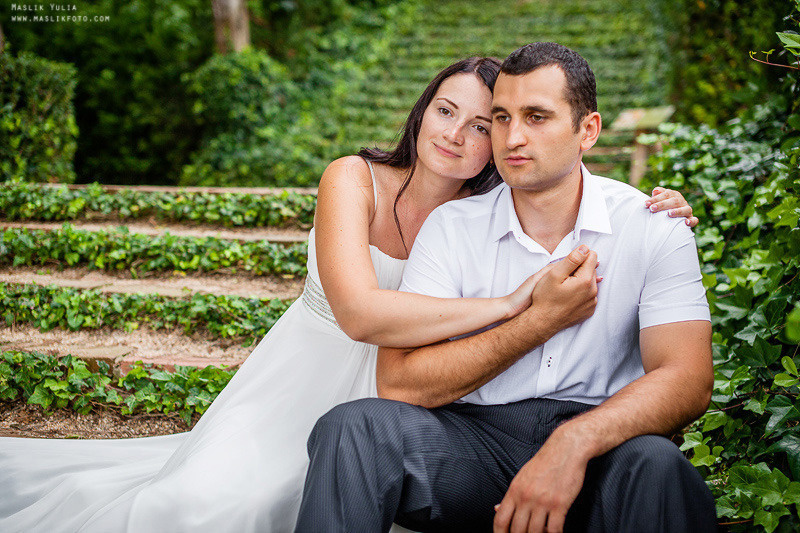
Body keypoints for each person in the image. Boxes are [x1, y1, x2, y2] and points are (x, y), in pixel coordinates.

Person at [0, 56, 698, 533]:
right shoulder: (358, 181)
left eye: (485, 125)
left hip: (421, 395)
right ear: (422, 110)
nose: (462, 133)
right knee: (208, 502)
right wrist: (522, 305)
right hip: (321, 371)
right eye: (447, 111)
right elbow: (362, 314)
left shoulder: (518, 214)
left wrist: (642, 206)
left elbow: (557, 173)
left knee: (353, 460)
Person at [295, 43, 717, 533]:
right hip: (471, 443)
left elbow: (689, 378)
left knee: (659, 465)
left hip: (604, 446)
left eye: (536, 116)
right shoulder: (451, 226)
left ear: (588, 130)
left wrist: (573, 443)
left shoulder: (652, 226)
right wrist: (536, 321)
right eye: (500, 118)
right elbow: (400, 382)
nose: (513, 136)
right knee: (354, 428)